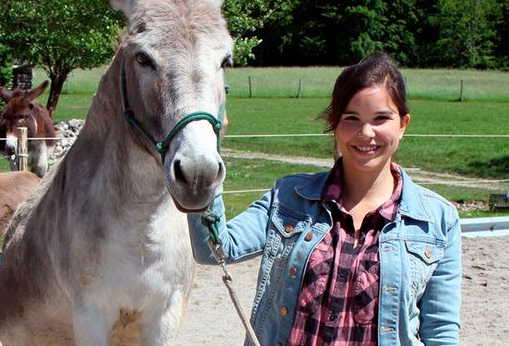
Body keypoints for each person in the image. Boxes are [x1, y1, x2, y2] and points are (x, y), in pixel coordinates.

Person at [188, 52, 461, 346]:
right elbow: (214, 249)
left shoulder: (437, 221)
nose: (366, 133)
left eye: (381, 118)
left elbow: (440, 332)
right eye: (351, 119)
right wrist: (207, 148)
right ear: (334, 123)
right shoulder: (287, 198)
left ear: (403, 124)